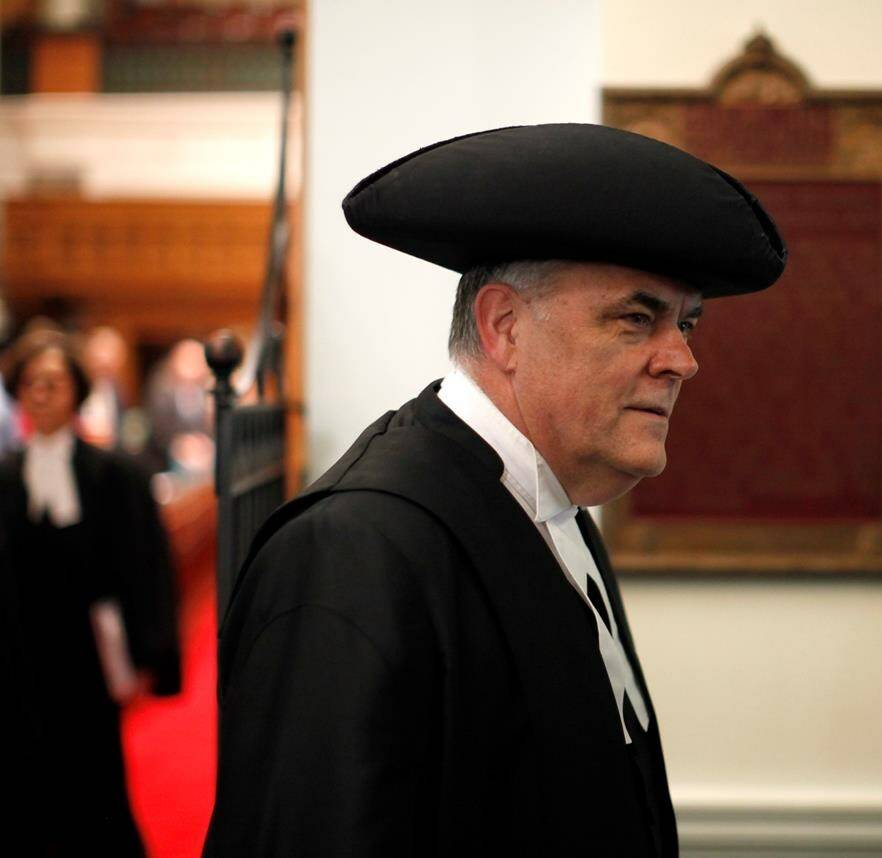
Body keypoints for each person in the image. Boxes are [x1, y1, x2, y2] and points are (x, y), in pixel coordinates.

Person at [202, 123, 788, 856]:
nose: (682, 360)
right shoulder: (356, 549)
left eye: (687, 324)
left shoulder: (553, 508)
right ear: (505, 328)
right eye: (637, 319)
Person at [0, 328, 181, 856]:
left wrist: (152, 651)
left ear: (76, 391)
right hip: (20, 651)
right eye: (31, 383)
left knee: (92, 766)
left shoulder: (115, 473)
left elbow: (146, 566)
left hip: (87, 650)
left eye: (53, 383)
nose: (41, 393)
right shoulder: (6, 477)